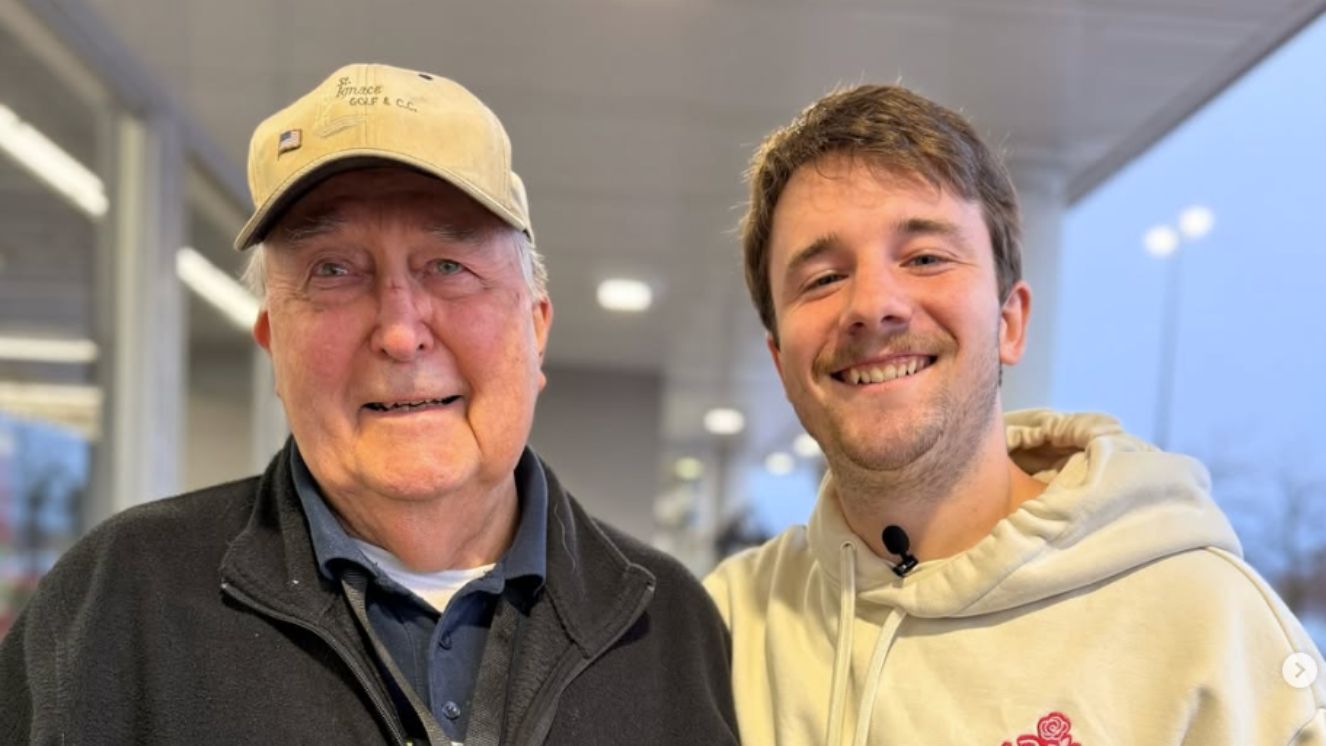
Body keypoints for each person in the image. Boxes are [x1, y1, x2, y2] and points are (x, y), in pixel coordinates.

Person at [0, 63, 738, 745]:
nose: (398, 330)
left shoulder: (665, 623)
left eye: (449, 266)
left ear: (535, 326)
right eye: (334, 271)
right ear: (273, 347)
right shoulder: (116, 605)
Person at [704, 83, 1326, 745]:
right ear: (780, 361)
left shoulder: (1208, 626)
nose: (872, 304)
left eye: (924, 258)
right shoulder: (727, 629)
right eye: (823, 277)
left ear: (1010, 322)